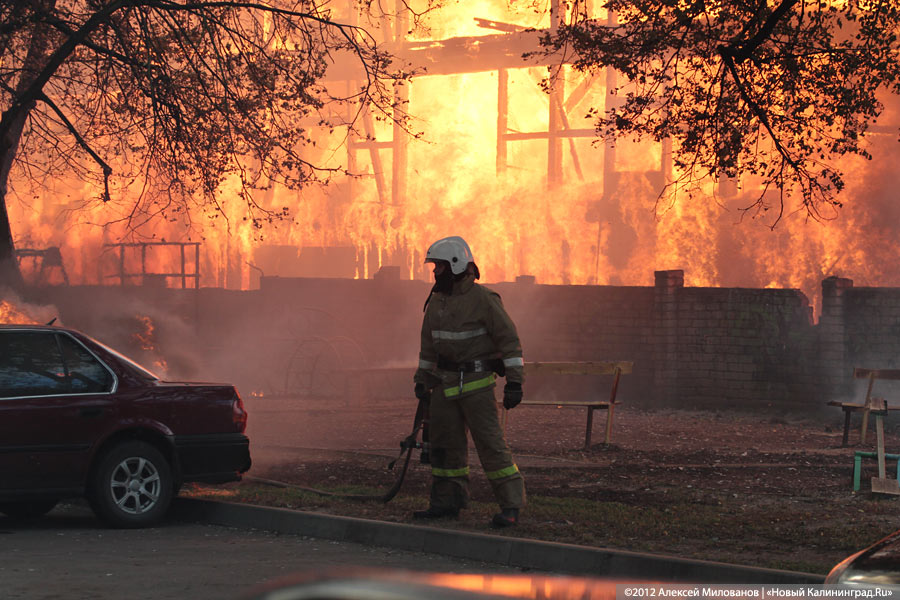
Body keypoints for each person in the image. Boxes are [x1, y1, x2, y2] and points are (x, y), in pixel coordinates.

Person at [412, 235, 526, 528]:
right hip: (443, 386)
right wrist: (422, 379)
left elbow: (509, 342)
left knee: (491, 445)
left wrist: (515, 382)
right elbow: (428, 347)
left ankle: (511, 506)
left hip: (476, 386)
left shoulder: (484, 300)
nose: (435, 272)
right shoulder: (436, 302)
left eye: (438, 266)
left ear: (455, 264)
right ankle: (446, 504)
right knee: (444, 447)